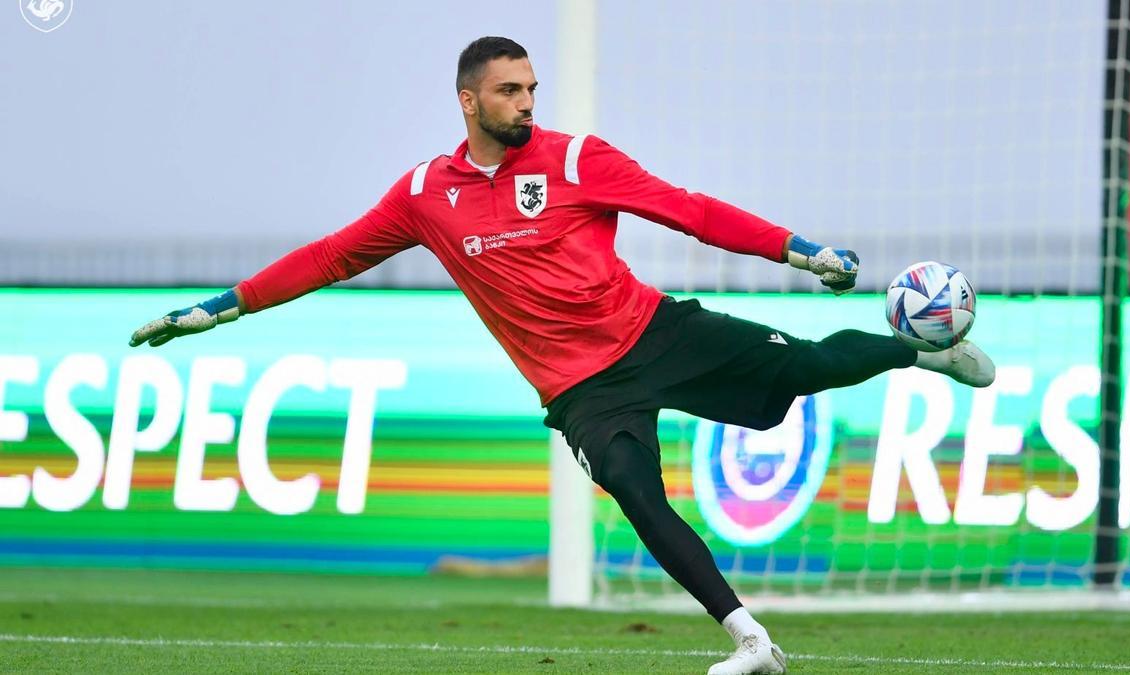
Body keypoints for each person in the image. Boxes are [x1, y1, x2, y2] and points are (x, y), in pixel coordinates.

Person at [129, 36, 995, 675]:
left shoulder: (578, 158)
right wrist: (221, 306)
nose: (526, 103)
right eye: (509, 91)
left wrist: (796, 249)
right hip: (580, 386)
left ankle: (923, 355)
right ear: (469, 101)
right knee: (635, 490)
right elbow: (332, 254)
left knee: (805, 364)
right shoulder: (426, 196)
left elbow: (686, 210)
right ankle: (752, 640)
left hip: (653, 330)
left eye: (532, 88)